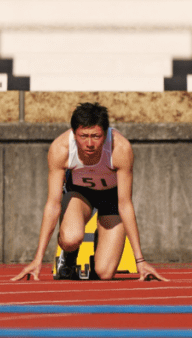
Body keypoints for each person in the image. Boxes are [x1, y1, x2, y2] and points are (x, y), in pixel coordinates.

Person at [12, 102, 167, 282]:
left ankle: (99, 246)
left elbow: (125, 204)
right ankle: (68, 257)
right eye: (83, 136)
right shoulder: (60, 148)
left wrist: (140, 261)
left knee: (105, 273)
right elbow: (53, 204)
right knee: (70, 238)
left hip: (111, 197)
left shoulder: (120, 149)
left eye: (96, 136)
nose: (90, 143)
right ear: (73, 133)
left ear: (106, 133)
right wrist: (37, 259)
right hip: (79, 194)